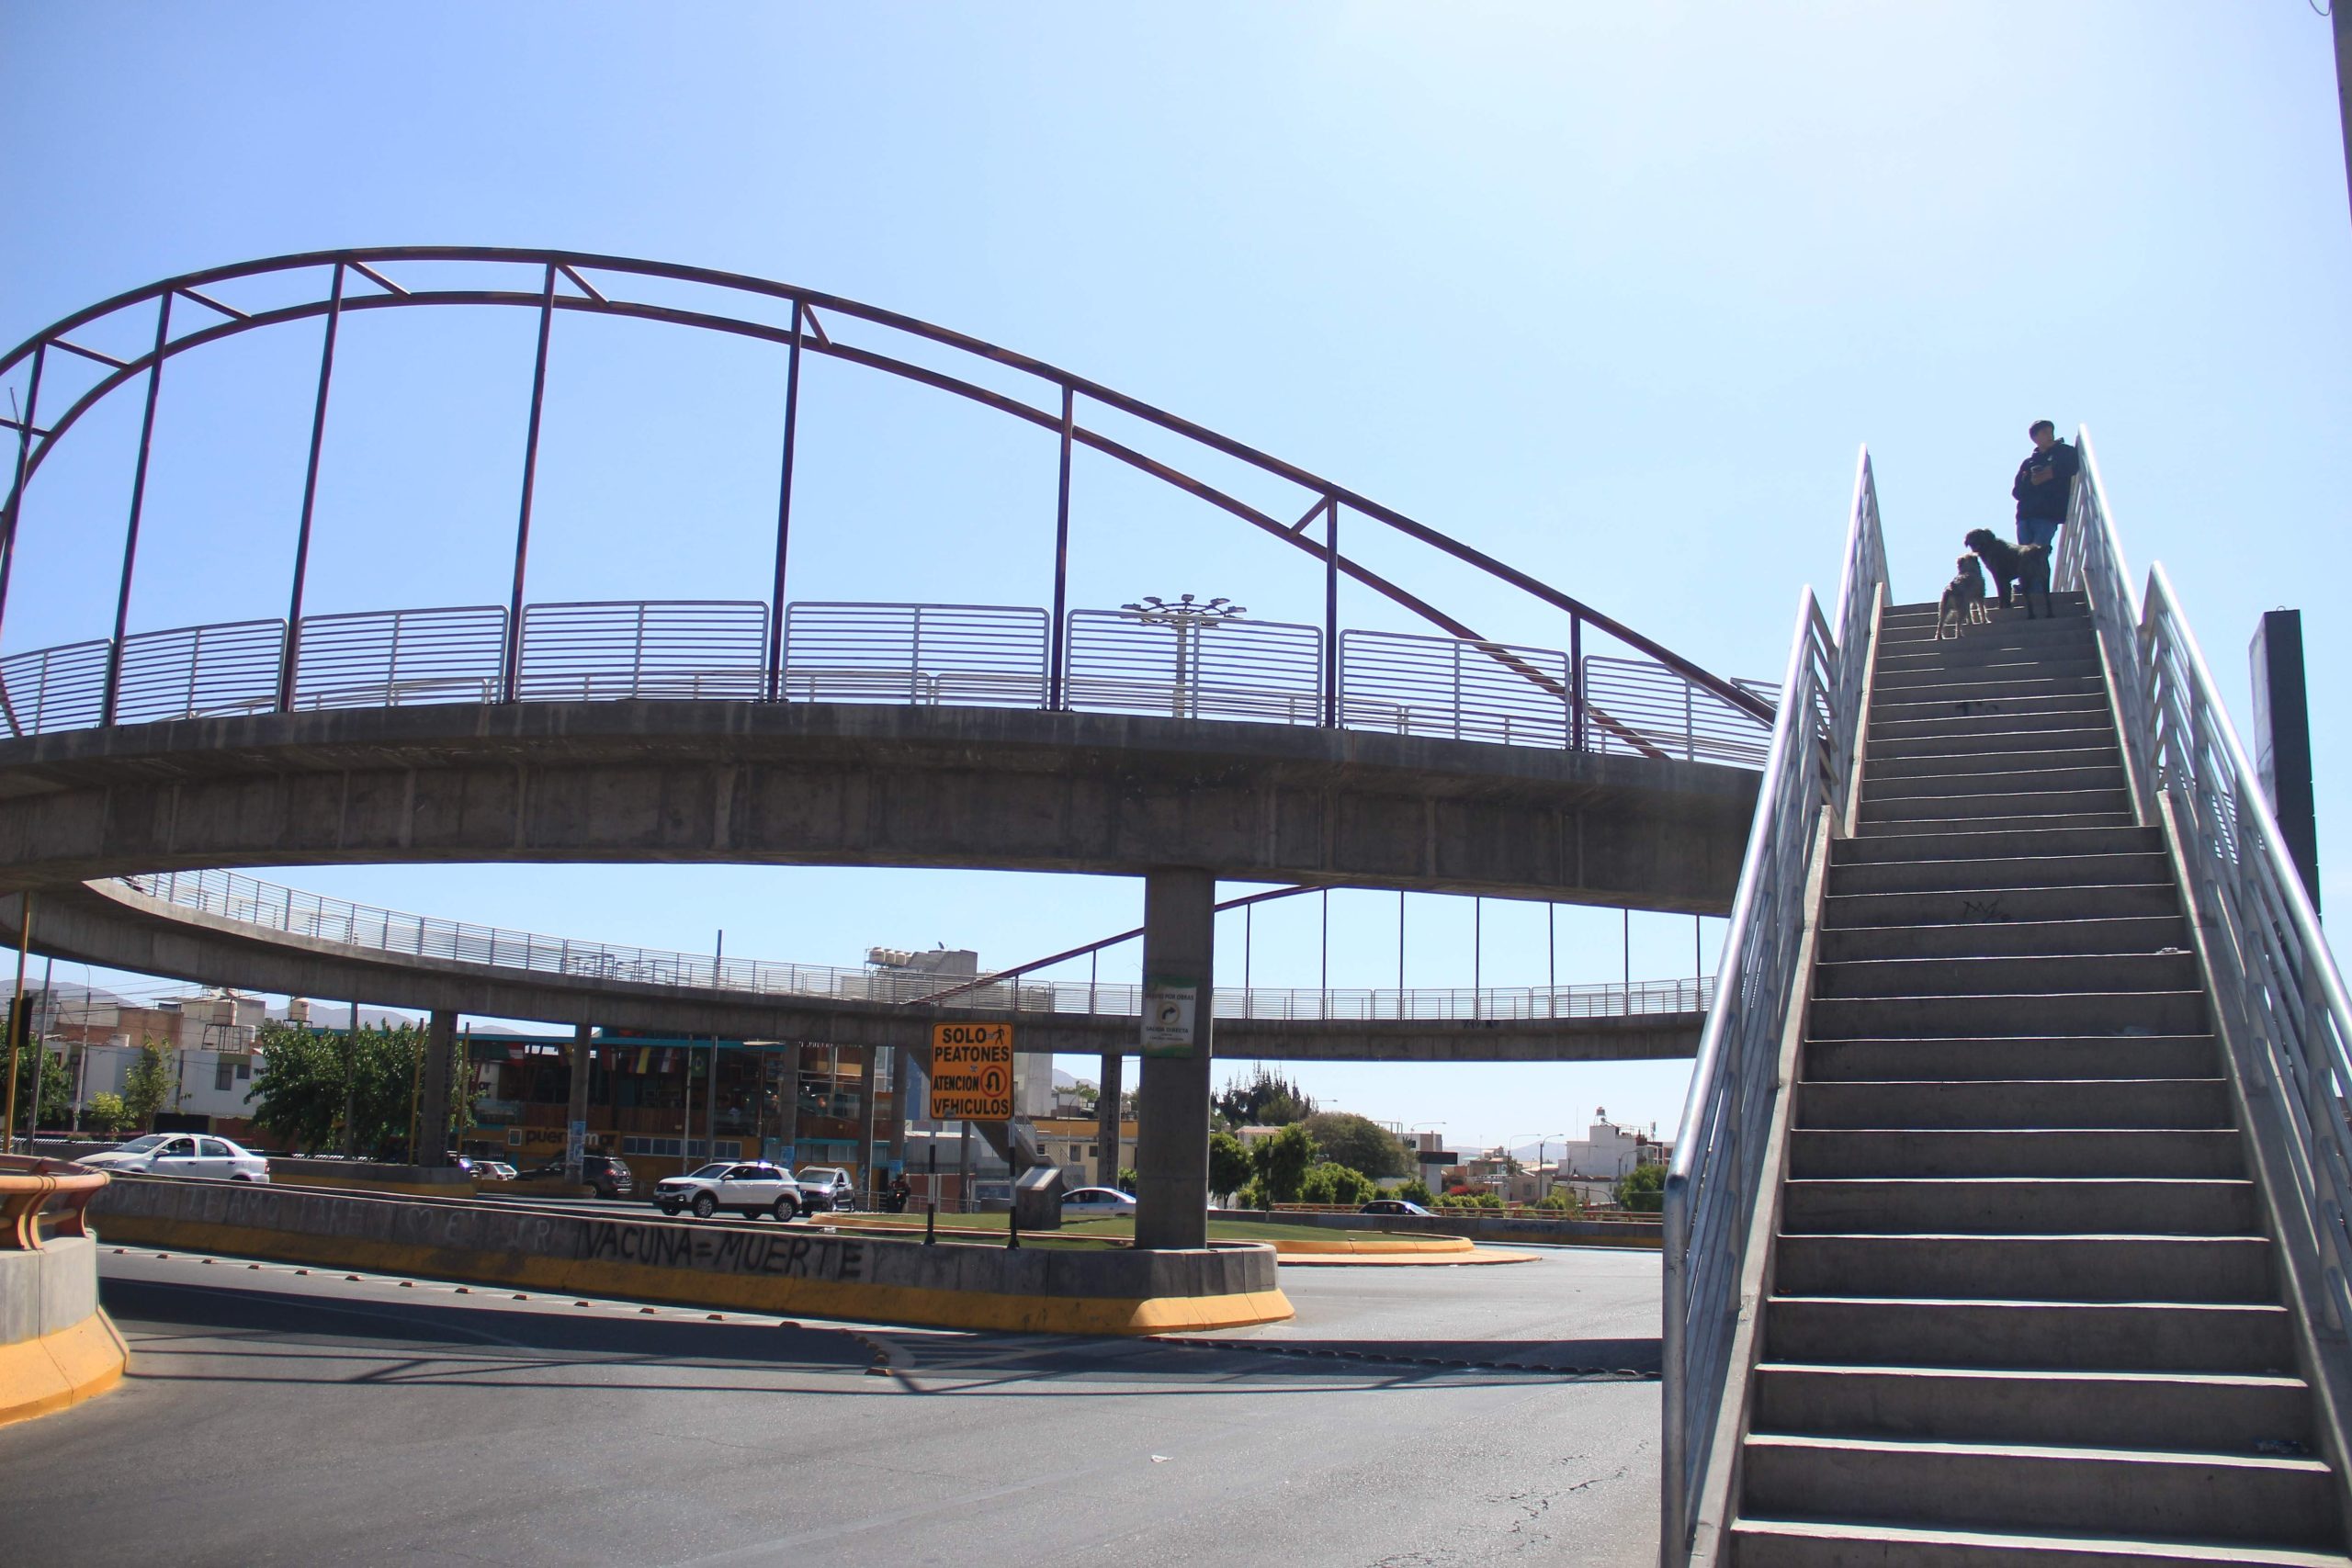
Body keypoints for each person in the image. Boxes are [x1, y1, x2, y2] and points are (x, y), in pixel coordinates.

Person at [2011, 420, 2079, 549]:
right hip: (2025, 515)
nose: (2050, 436)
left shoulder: (2064, 451)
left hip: (2048, 514)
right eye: (2044, 432)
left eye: (2051, 432)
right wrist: (2032, 482)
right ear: (2035, 438)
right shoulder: (2029, 463)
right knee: (2024, 558)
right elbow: (2017, 492)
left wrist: (2051, 473)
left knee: (2039, 554)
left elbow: (2072, 466)